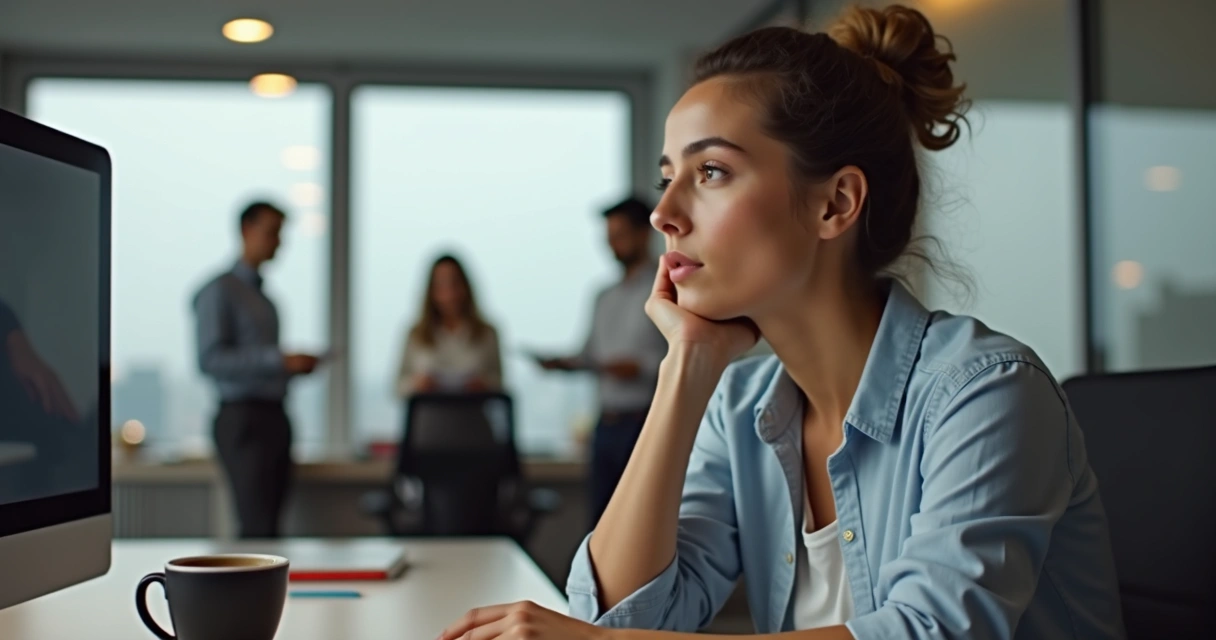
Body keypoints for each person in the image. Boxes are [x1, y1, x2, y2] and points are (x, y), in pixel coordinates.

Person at [439, 5, 1123, 640]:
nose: (663, 214)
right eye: (666, 175)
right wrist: (686, 367)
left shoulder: (986, 393)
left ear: (835, 204)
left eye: (710, 171)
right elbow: (622, 614)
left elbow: (930, 630)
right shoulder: (739, 407)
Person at [192, 201, 321, 539]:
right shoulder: (218, 291)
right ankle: (247, 594)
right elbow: (210, 360)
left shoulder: (266, 299)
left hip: (274, 416)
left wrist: (292, 368)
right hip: (243, 421)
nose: (279, 242)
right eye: (272, 232)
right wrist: (278, 361)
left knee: (271, 529)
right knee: (255, 526)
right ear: (246, 231)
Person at [536, 196, 667, 528]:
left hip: (645, 423)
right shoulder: (602, 296)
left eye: (620, 235)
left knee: (644, 522)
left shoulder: (665, 289)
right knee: (602, 523)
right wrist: (562, 364)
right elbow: (588, 355)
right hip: (605, 425)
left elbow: (679, 357)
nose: (612, 245)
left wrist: (638, 367)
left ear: (643, 234)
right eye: (608, 237)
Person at [395, 254, 503, 396]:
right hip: (429, 415)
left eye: (455, 283)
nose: (449, 293)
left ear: (465, 286)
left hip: (471, 414)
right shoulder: (416, 333)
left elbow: (499, 382)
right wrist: (417, 384)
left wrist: (484, 384)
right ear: (431, 290)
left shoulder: (487, 332)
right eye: (441, 284)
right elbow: (398, 386)